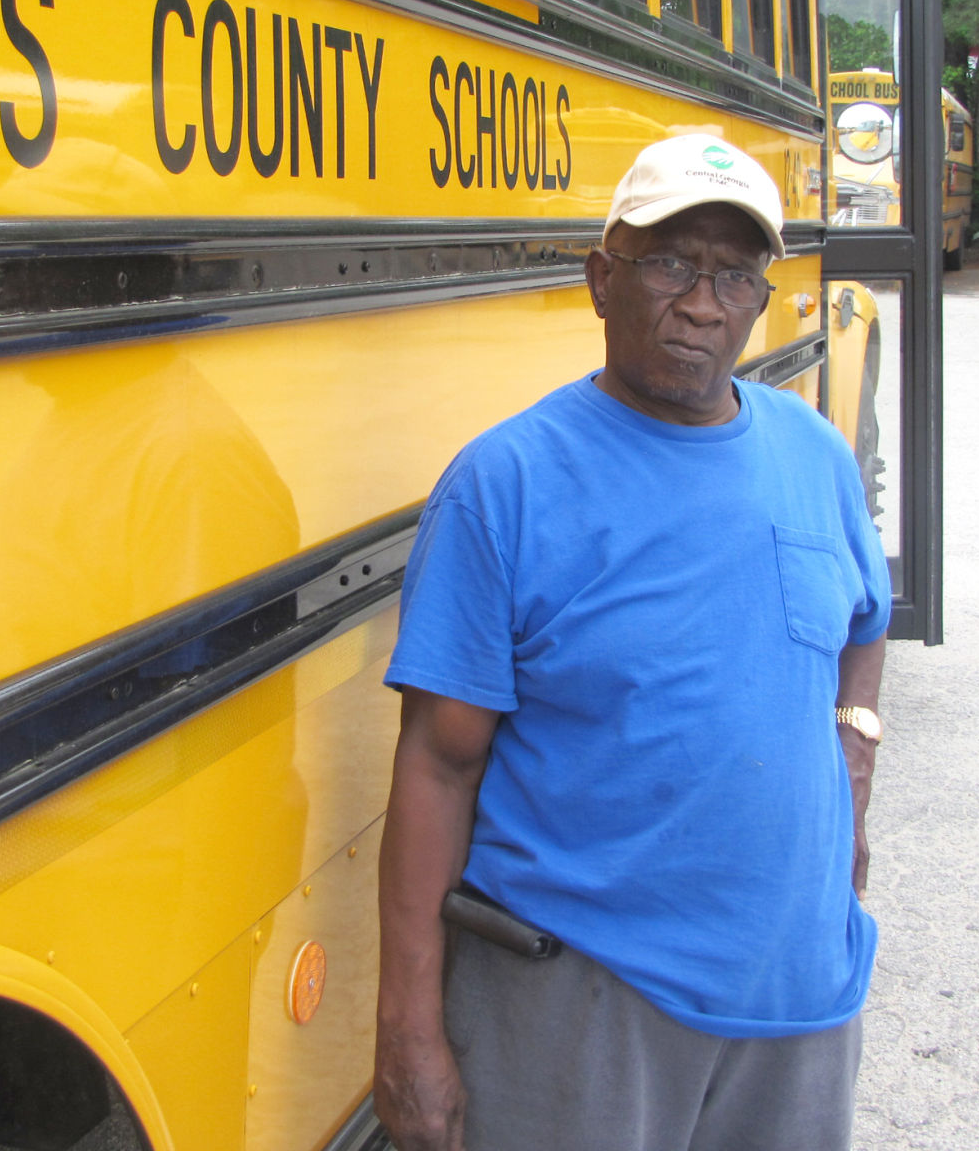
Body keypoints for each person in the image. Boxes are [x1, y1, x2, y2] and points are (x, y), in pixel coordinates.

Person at [374, 134, 891, 1151]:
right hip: (578, 1009)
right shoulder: (506, 485)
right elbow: (436, 765)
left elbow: (860, 622)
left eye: (735, 273)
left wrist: (852, 754)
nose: (703, 303)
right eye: (670, 263)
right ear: (601, 278)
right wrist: (407, 1027)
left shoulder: (812, 455)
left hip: (797, 1002)